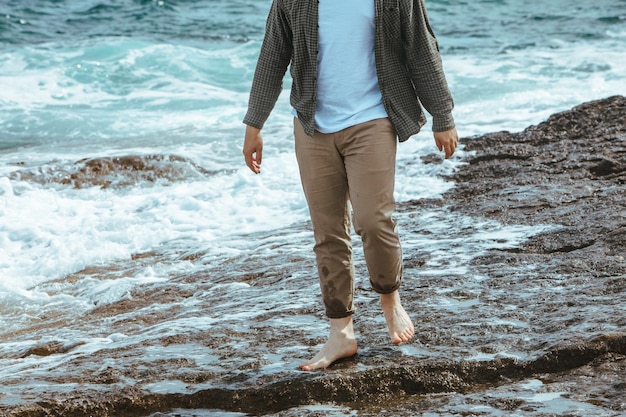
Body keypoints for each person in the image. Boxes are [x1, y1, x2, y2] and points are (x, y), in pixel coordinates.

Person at [242, 0, 459, 371]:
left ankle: (390, 300)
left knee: (374, 220)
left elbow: (421, 47)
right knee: (328, 233)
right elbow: (272, 55)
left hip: (372, 119)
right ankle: (341, 332)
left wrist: (443, 115)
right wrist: (254, 125)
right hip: (313, 125)